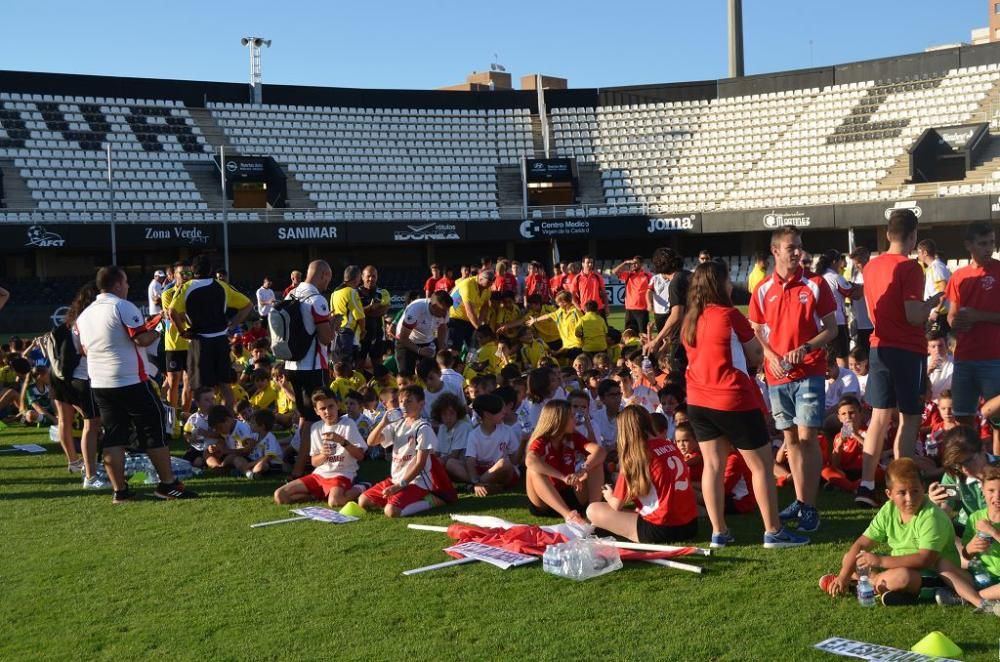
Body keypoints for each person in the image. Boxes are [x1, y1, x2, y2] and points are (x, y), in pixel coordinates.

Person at [682, 259, 808, 549]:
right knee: (761, 466)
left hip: (699, 401)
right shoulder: (729, 314)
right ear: (719, 283)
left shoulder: (690, 318)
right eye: (727, 280)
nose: (731, 284)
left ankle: (719, 532)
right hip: (732, 397)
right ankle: (773, 531)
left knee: (713, 466)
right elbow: (754, 355)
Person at [76, 266, 196, 503]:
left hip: (100, 382)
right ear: (118, 284)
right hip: (129, 379)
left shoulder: (85, 314)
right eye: (126, 281)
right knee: (154, 431)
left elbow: (85, 350)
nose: (129, 286)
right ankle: (168, 485)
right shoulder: (121, 306)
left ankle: (120, 491)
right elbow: (141, 338)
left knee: (114, 435)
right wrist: (160, 328)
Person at [749, 226, 837, 532]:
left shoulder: (815, 284)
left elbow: (832, 328)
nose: (798, 252)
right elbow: (756, 331)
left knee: (807, 437)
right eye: (791, 247)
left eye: (799, 246)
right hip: (777, 375)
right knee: (789, 440)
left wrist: (807, 347)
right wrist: (771, 356)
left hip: (810, 370)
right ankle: (800, 502)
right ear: (776, 252)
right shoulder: (761, 289)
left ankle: (809, 506)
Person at [857, 209, 943, 508]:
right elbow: (912, 315)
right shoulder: (910, 268)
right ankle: (901, 485)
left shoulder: (870, 268)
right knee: (908, 418)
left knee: (879, 418)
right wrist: (932, 303)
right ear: (913, 235)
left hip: (878, 346)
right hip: (907, 349)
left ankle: (866, 485)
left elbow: (871, 313)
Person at [818, 458, 966, 607]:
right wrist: (843, 575)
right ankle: (876, 586)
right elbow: (862, 543)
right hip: (898, 566)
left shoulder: (931, 516)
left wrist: (879, 561)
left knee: (902, 577)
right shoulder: (888, 510)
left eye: (915, 491)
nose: (910, 498)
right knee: (851, 559)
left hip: (935, 574)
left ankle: (862, 585)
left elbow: (924, 559)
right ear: (889, 494)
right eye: (902, 493)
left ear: (923, 487)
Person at [587, 405, 698, 543]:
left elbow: (616, 505)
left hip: (660, 529)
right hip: (690, 525)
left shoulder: (636, 455)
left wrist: (608, 495)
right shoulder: (671, 445)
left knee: (593, 510)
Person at [166, 255, 252, 411]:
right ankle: (227, 424)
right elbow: (248, 305)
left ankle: (208, 422)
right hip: (220, 341)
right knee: (225, 386)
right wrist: (232, 324)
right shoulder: (222, 286)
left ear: (193, 270)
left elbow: (171, 312)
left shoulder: (187, 287)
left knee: (202, 387)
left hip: (200, 342)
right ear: (211, 270)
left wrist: (182, 331)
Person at [361, 385, 455, 517]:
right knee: (363, 501)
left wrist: (399, 486)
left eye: (409, 401)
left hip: (417, 482)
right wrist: (383, 423)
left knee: (391, 511)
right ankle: (401, 498)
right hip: (396, 479)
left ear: (421, 404)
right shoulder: (397, 424)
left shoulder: (423, 428)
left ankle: (433, 501)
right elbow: (371, 442)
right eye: (401, 401)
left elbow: (420, 464)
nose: (403, 405)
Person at [282, 260, 336, 478]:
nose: (327, 285)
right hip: (311, 366)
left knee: (305, 417)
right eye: (328, 279)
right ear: (322, 275)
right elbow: (325, 338)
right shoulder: (317, 300)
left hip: (291, 364)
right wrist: (334, 324)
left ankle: (294, 458)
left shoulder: (290, 295)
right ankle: (299, 469)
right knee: (313, 419)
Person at [945, 221, 1000, 429]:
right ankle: (970, 461)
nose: (989, 248)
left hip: (994, 358)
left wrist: (979, 316)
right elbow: (951, 315)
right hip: (964, 358)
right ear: (969, 245)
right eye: (983, 243)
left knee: (997, 422)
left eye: (992, 242)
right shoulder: (959, 276)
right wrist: (955, 322)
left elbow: (977, 314)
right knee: (963, 419)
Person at [273, 388, 368, 507]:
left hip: (342, 473)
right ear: (316, 411)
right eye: (323, 408)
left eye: (331, 406)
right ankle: (317, 495)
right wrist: (323, 455)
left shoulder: (348, 424)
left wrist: (343, 441)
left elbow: (360, 456)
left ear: (338, 405)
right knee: (280, 495)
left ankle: (362, 486)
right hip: (319, 475)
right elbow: (314, 462)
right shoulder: (316, 428)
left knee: (335, 502)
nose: (327, 411)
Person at [50, 282, 100, 485]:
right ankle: (88, 467)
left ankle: (73, 460)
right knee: (92, 420)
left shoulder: (68, 321)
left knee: (64, 420)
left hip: (58, 374)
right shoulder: (87, 321)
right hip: (77, 376)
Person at [524, 399, 605, 524]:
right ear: (559, 420)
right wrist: (563, 477)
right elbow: (530, 460)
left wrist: (581, 471)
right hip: (545, 499)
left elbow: (600, 451)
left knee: (596, 464)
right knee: (533, 469)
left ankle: (593, 513)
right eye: (572, 416)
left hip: (570, 491)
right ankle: (568, 516)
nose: (576, 420)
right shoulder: (541, 440)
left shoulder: (572, 436)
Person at [451, 393, 518, 496]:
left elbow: (514, 460)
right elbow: (470, 460)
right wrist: (475, 479)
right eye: (500, 411)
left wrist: (477, 482)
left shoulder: (507, 431)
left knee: (504, 463)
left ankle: (476, 485)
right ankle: (488, 486)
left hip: (499, 471)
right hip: (481, 470)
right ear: (487, 414)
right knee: (451, 463)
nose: (504, 413)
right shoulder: (474, 434)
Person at [644, 247, 690, 370]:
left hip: (684, 339)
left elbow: (676, 315)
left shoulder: (675, 282)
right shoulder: (689, 275)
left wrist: (656, 340)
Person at [161, 261, 192, 425]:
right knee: (173, 383)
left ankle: (185, 421)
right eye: (183, 273)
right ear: (173, 275)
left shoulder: (194, 292)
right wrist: (185, 315)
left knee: (189, 383)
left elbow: (181, 316)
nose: (186, 276)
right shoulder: (167, 294)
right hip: (173, 344)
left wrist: (181, 315)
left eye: (189, 273)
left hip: (191, 345)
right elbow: (174, 318)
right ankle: (171, 422)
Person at [816, 249, 856, 365]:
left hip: (820, 324)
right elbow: (853, 293)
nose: (841, 263)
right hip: (837, 322)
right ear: (834, 262)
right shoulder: (835, 277)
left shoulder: (817, 277)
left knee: (826, 359)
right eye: (840, 260)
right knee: (841, 358)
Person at [448, 269, 494, 354]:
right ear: (480, 279)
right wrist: (479, 328)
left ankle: (469, 365)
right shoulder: (468, 284)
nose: (489, 287)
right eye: (488, 283)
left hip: (470, 320)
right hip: (455, 318)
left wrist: (480, 323)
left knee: (473, 349)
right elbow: (469, 311)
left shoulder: (487, 288)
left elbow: (485, 306)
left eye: (491, 284)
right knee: (454, 349)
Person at [357, 265, 391, 371]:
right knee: (358, 368)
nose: (371, 279)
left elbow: (383, 311)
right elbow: (354, 313)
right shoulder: (355, 293)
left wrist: (363, 311)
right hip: (360, 336)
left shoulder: (383, 292)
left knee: (379, 368)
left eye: (374, 276)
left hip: (378, 335)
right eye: (368, 276)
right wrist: (371, 307)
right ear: (362, 277)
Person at [917, 238, 951, 329]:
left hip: (940, 314)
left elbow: (943, 291)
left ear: (925, 253)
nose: (918, 255)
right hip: (936, 313)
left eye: (919, 252)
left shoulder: (937, 267)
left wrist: (936, 311)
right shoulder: (932, 267)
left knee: (936, 340)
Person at [613, 256, 651, 332]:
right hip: (630, 310)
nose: (633, 265)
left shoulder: (647, 276)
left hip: (642, 310)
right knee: (628, 335)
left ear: (641, 264)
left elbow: (652, 290)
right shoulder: (628, 275)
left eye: (636, 263)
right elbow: (614, 272)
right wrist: (625, 263)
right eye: (632, 263)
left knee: (643, 334)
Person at [848, 246, 874, 354]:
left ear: (866, 258)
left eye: (858, 263)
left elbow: (858, 294)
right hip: (859, 322)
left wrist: (852, 289)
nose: (857, 266)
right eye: (855, 263)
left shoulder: (873, 273)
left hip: (871, 323)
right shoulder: (856, 274)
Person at [926, 330, 954, 401]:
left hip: (948, 405)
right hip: (927, 407)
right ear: (928, 349)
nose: (937, 350)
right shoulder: (922, 364)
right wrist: (927, 372)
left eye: (940, 346)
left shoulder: (956, 364)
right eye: (933, 346)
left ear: (947, 346)